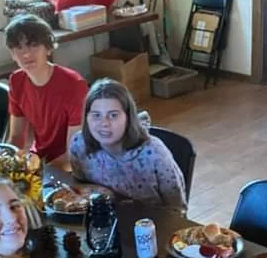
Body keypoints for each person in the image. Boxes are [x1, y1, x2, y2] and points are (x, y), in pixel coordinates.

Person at [69, 78, 187, 210]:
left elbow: (177, 209)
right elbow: (80, 188)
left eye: (113, 115)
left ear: (128, 117)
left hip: (149, 221)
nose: (104, 123)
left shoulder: (155, 153)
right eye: (96, 115)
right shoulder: (79, 144)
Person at [5, 14, 87, 166]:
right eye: (19, 48)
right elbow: (16, 138)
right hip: (39, 158)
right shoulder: (16, 80)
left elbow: (74, 152)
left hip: (71, 164)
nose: (26, 54)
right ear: (13, 55)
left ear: (48, 48)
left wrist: (38, 171)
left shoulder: (74, 84)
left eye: (33, 45)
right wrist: (6, 163)